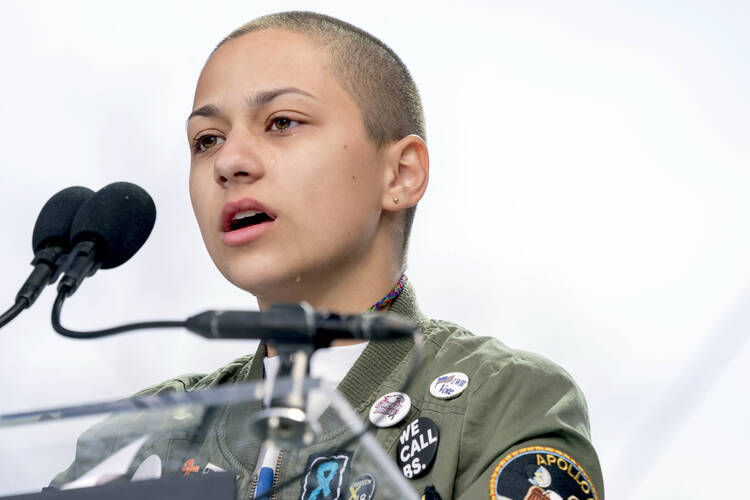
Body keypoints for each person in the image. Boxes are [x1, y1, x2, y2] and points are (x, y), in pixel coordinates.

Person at [53, 11, 604, 500]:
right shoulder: (151, 430)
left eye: (282, 123)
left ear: (401, 173)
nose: (230, 162)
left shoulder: (498, 400)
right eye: (207, 140)